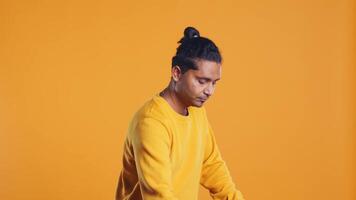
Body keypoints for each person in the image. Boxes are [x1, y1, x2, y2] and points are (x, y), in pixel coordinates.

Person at [116, 26, 245, 200]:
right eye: (202, 81)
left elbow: (212, 165)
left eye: (214, 83)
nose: (210, 91)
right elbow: (158, 194)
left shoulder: (197, 113)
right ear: (177, 73)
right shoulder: (151, 122)